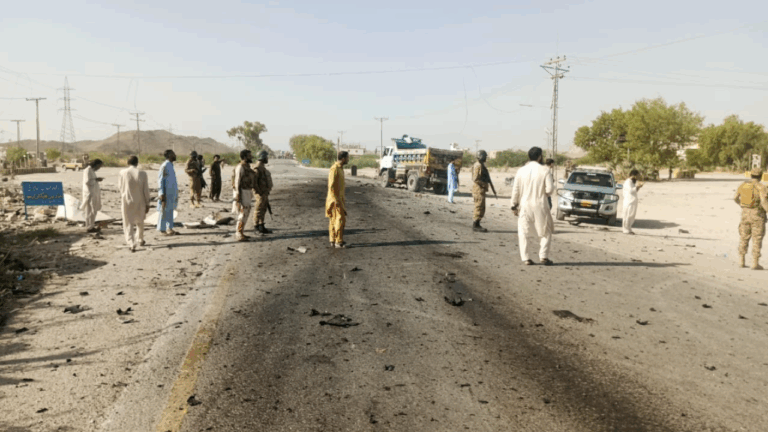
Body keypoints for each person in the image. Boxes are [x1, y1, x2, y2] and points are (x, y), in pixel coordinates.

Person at [511, 147, 555, 266]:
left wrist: (513, 205)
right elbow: (550, 189)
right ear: (540, 156)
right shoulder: (545, 170)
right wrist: (544, 193)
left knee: (523, 231)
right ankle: (544, 256)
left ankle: (526, 258)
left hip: (524, 205)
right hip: (540, 204)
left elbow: (516, 190)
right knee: (546, 230)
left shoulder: (521, 170)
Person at [735, 167, 768, 270]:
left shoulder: (743, 185)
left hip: (745, 214)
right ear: (761, 176)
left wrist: (742, 205)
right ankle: (754, 262)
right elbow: (763, 202)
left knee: (744, 237)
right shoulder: (762, 187)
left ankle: (741, 260)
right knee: (757, 238)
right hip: (757, 215)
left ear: (751, 175)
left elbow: (735, 198)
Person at [118, 155, 150, 252]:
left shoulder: (122, 172)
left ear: (128, 163)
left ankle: (131, 243)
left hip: (127, 200)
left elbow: (120, 187)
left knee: (128, 223)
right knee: (140, 221)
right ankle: (140, 239)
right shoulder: (143, 173)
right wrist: (148, 202)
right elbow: (146, 190)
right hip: (140, 201)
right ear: (137, 163)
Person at [326, 151, 348, 248]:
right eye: (347, 158)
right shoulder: (334, 169)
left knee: (335, 219)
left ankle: (333, 240)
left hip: (338, 198)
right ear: (343, 159)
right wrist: (336, 200)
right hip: (335, 199)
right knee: (339, 220)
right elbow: (331, 186)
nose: (348, 159)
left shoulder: (340, 169)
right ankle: (338, 242)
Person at [234, 149, 256, 242]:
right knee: (243, 213)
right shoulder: (240, 167)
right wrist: (238, 196)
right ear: (244, 157)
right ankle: (238, 233)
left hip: (247, 191)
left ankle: (241, 232)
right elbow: (237, 182)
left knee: (246, 212)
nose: (251, 157)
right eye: (249, 155)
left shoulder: (247, 166)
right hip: (242, 192)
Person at [157, 149, 179, 236]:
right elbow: (160, 180)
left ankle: (169, 228)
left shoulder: (171, 165)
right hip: (165, 193)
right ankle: (162, 230)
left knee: (170, 211)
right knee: (163, 211)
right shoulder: (165, 165)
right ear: (169, 155)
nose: (175, 155)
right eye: (173, 154)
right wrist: (161, 194)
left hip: (171, 193)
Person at [80, 159, 104, 233]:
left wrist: (96, 179)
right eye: (99, 166)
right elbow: (87, 182)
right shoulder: (87, 170)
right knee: (91, 211)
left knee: (92, 211)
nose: (99, 168)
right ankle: (90, 227)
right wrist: (96, 179)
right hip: (90, 193)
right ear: (96, 165)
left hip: (93, 193)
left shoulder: (91, 170)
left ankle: (90, 226)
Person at [253, 150, 273, 235]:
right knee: (258, 209)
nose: (267, 158)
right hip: (260, 193)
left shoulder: (262, 167)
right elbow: (254, 182)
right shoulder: (257, 168)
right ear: (262, 157)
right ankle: (256, 226)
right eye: (266, 157)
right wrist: (259, 192)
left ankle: (261, 225)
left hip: (264, 192)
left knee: (263, 209)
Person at [472, 150, 490, 232]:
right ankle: (476, 224)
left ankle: (477, 223)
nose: (486, 158)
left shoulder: (480, 165)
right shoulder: (478, 165)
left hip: (480, 189)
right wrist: (483, 184)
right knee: (479, 206)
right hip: (478, 189)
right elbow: (475, 179)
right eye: (485, 156)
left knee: (481, 206)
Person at [622, 169, 644, 235]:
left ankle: (629, 229)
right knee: (627, 215)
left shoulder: (632, 182)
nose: (638, 177)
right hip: (629, 202)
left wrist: (638, 187)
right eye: (637, 176)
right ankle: (625, 229)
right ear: (633, 175)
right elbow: (630, 191)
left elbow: (634, 191)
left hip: (632, 201)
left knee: (631, 216)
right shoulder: (628, 182)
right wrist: (637, 186)